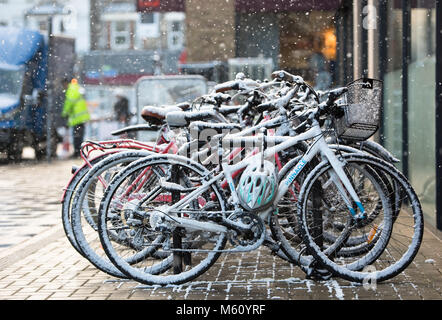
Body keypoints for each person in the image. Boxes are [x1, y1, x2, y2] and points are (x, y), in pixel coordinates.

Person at [61, 78, 90, 158]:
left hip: (78, 118)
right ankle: (79, 153)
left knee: (77, 136)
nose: (63, 88)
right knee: (79, 136)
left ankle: (77, 153)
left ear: (65, 83)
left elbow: (69, 103)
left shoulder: (71, 89)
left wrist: (64, 113)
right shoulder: (76, 88)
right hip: (81, 117)